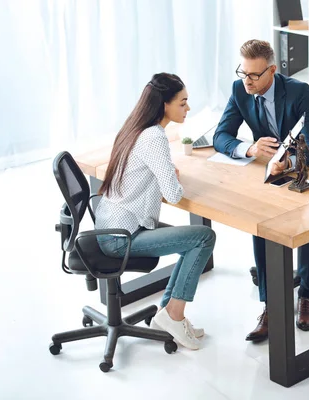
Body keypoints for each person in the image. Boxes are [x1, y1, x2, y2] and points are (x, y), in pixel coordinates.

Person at [213, 39, 309, 343]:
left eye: (254, 75)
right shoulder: (240, 90)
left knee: (308, 219)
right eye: (242, 73)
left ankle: (308, 294)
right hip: (271, 167)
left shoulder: (299, 92)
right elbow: (221, 135)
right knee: (261, 224)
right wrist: (248, 148)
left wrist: (289, 161)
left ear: (272, 70)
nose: (246, 81)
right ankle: (271, 304)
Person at [95, 73, 216, 350]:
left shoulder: (135, 127)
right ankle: (174, 315)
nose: (187, 109)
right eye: (183, 103)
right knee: (203, 238)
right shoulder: (154, 137)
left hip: (112, 226)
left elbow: (144, 173)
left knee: (192, 241)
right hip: (121, 237)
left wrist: (164, 174)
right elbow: (173, 194)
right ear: (165, 105)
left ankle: (167, 314)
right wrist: (171, 177)